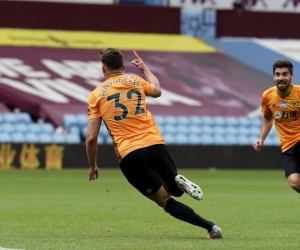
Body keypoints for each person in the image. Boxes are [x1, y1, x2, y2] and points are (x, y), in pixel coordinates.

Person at [85, 48, 222, 239]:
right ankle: (179, 184)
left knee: (164, 200)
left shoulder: (96, 95)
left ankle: (211, 227)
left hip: (130, 153)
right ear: (123, 67)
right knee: (173, 188)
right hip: (155, 144)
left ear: (103, 70)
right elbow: (157, 90)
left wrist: (92, 165)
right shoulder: (135, 81)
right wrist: (144, 69)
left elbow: (92, 137)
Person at [253, 59, 300, 193]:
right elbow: (268, 118)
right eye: (278, 74)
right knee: (295, 182)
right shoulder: (267, 95)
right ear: (273, 76)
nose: (281, 78)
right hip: (287, 147)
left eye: (285, 74)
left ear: (292, 76)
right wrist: (261, 139)